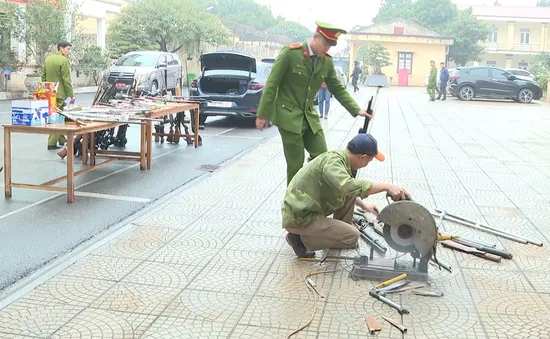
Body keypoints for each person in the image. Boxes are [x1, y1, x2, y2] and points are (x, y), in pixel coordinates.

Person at [255, 21, 373, 186]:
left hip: (309, 116)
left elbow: (337, 88)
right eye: (325, 44)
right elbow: (272, 84)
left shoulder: (326, 61)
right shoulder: (291, 53)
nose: (326, 49)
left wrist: (356, 109)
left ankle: (312, 193)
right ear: (315, 37)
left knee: (321, 156)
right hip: (288, 117)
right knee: (295, 164)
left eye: (330, 46)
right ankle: (293, 204)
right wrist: (263, 114)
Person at [282, 133, 412, 258]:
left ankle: (339, 230)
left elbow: (349, 190)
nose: (368, 164)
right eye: (369, 160)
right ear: (362, 157)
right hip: (300, 217)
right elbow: (349, 186)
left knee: (350, 194)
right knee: (352, 237)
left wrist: (365, 206)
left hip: (307, 209)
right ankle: (299, 240)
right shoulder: (333, 163)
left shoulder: (342, 158)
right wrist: (386, 186)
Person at [42, 41, 74, 150]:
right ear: (60, 48)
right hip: (61, 94)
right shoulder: (64, 60)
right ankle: (51, 143)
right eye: (68, 49)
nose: (69, 52)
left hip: (50, 92)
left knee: (57, 115)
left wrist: (46, 91)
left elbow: (43, 77)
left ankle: (61, 139)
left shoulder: (48, 59)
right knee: (57, 117)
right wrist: (71, 95)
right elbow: (66, 80)